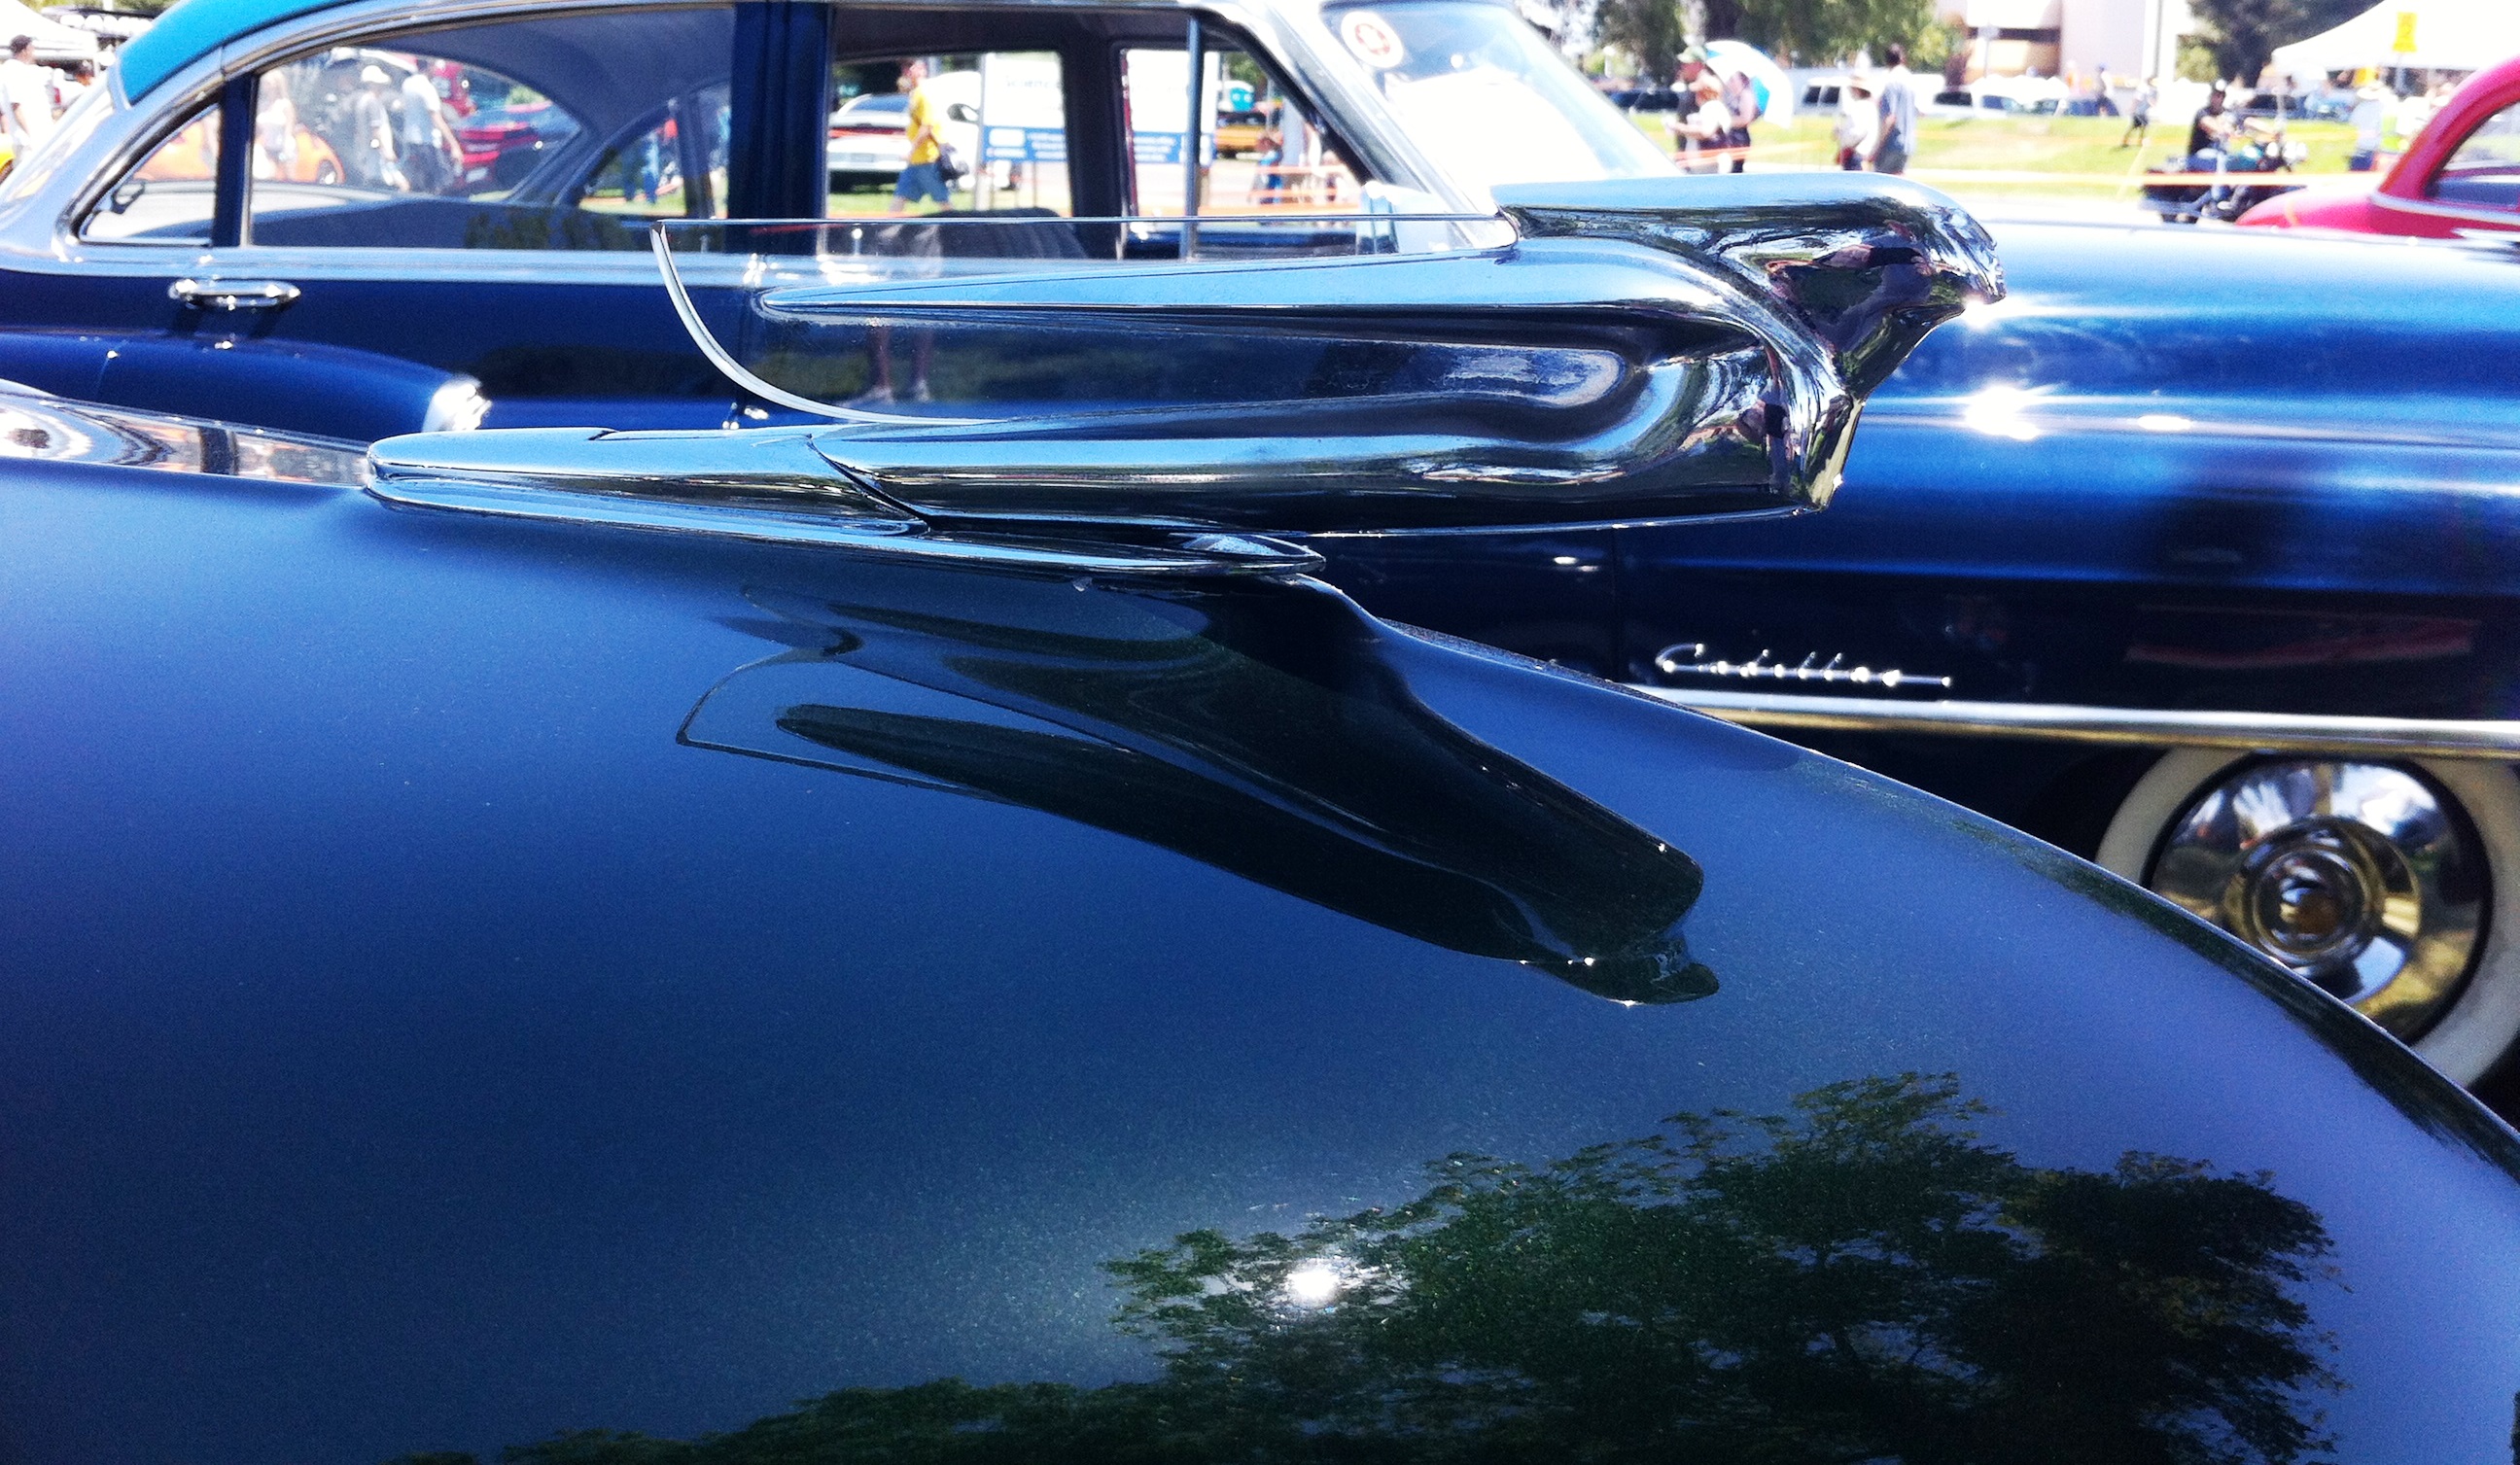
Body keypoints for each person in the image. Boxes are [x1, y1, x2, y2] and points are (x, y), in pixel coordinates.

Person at [892, 58, 949, 213]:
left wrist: (911, 151)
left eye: (911, 66)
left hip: (928, 159)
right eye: (905, 67)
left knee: (944, 203)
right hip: (916, 160)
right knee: (899, 198)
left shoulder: (925, 93)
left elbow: (927, 126)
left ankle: (961, 226)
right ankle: (888, 227)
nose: (907, 70)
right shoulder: (916, 93)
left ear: (922, 69)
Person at [396, 67, 456, 193]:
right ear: (430, 66)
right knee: (443, 181)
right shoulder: (427, 88)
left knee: (417, 182)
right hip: (427, 141)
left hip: (410, 139)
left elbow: (402, 106)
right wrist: (454, 145)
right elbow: (437, 118)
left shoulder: (408, 83)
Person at [1, 36, 57, 159]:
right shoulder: (12, 70)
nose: (33, 52)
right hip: (27, 141)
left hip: (37, 138)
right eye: (32, 49)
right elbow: (16, 106)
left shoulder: (23, 70)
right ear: (25, 51)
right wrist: (31, 136)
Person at [1868, 43, 1916, 175]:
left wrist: (1877, 147)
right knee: (1899, 184)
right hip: (1907, 144)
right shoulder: (1910, 81)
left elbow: (1890, 118)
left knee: (1881, 183)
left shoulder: (1890, 82)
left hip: (1891, 144)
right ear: (1903, 59)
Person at [1669, 73, 1727, 175]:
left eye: (1698, 92)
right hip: (1704, 164)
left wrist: (1679, 128)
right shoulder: (1712, 107)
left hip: (1710, 165)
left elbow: (1705, 132)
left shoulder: (1711, 107)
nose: (1695, 96)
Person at [1719, 67, 1760, 172]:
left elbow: (1745, 119)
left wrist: (1727, 122)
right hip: (1731, 137)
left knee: (1736, 168)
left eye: (1733, 80)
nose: (1730, 83)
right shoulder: (1733, 96)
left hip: (1740, 138)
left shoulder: (1746, 95)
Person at [1834, 73, 1875, 170]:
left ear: (1857, 90)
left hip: (1855, 156)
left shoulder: (1858, 107)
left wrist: (1840, 134)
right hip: (1866, 154)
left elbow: (1855, 134)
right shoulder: (1871, 106)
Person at [2347, 80, 2390, 171]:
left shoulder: (2361, 107)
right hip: (2376, 149)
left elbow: (2353, 123)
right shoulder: (2384, 108)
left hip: (2360, 147)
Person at [2186, 84, 2232, 160]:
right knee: (2218, 159)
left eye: (2221, 96)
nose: (2218, 99)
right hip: (2199, 155)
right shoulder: (2202, 112)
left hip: (2221, 152)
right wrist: (2224, 125)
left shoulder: (2228, 112)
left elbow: (2234, 128)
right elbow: (2211, 125)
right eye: (2215, 95)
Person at [2118, 76, 2156, 148]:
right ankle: (2138, 141)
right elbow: (2137, 99)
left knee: (2136, 126)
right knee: (2142, 126)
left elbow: (2148, 100)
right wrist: (2132, 108)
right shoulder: (2143, 89)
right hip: (2139, 112)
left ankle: (2127, 141)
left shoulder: (2149, 90)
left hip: (2142, 112)